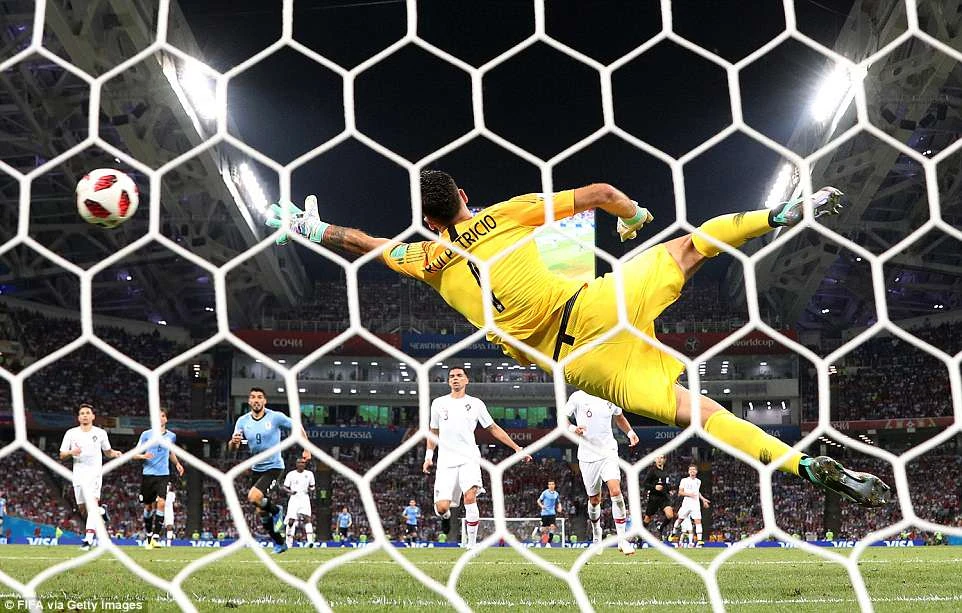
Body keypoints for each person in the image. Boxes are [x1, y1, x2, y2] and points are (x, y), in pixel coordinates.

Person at [266, 173, 889, 507]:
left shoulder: (426, 259)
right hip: (595, 306)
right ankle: (777, 216)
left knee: (696, 413)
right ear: (464, 198)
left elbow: (366, 245)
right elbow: (600, 194)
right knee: (689, 248)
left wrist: (312, 228)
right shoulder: (502, 214)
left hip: (578, 363)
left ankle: (801, 466)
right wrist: (632, 216)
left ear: (429, 220)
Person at [422, 367, 532, 550]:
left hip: (469, 458)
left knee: (470, 496)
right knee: (441, 508)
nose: (455, 379)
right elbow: (433, 431)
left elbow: (493, 428)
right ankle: (446, 516)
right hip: (446, 461)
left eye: (459, 376)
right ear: (448, 382)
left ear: (466, 380)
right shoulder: (438, 404)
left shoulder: (476, 404)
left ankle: (472, 546)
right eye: (452, 376)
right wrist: (428, 457)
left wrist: (517, 448)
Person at [229, 387, 310, 554]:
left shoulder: (275, 417)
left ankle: (277, 510)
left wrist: (306, 448)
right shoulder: (242, 421)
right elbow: (233, 447)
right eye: (253, 397)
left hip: (274, 466)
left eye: (260, 397)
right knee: (261, 511)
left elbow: (297, 427)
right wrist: (234, 442)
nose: (256, 400)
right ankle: (280, 543)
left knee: (253, 496)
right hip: (256, 468)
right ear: (249, 401)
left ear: (264, 401)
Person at [564, 389, 637, 555]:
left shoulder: (609, 393)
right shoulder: (578, 396)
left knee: (616, 491)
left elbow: (619, 417)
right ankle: (597, 537)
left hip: (608, 452)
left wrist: (630, 432)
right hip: (587, 456)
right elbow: (562, 419)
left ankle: (622, 539)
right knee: (595, 500)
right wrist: (573, 428)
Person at [58, 403, 122, 550]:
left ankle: (88, 540)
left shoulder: (100, 433)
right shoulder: (71, 433)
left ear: (93, 416)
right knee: (83, 510)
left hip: (95, 473)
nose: (85, 415)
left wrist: (115, 453)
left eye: (87, 413)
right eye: (82, 413)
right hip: (78, 474)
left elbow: (107, 452)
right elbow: (62, 454)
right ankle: (101, 511)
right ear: (78, 417)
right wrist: (71, 452)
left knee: (92, 504)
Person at [133, 407, 184, 549]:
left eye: (162, 416)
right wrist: (143, 456)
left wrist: (177, 464)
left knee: (162, 503)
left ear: (165, 419)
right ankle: (149, 535)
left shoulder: (171, 436)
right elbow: (134, 454)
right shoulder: (146, 435)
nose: (159, 418)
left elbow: (170, 452)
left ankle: (156, 537)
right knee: (148, 507)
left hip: (163, 475)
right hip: (148, 474)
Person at [672, 464, 710, 546]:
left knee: (698, 521)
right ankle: (673, 532)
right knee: (680, 519)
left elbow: (697, 492)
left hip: (695, 504)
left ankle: (699, 540)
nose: (692, 471)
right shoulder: (684, 480)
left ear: (696, 471)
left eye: (694, 469)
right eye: (691, 469)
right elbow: (680, 492)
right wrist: (689, 494)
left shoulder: (698, 481)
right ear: (688, 471)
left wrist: (703, 499)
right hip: (686, 503)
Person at [282, 458, 316, 548]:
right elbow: (284, 487)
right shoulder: (291, 474)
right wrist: (290, 491)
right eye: (300, 463)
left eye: (303, 463)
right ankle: (288, 542)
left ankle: (310, 541)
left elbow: (313, 487)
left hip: (304, 497)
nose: (301, 464)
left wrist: (310, 489)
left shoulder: (309, 474)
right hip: (294, 498)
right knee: (291, 520)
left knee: (307, 518)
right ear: (296, 464)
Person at [642, 454, 675, 540]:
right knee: (647, 519)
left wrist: (669, 489)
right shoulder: (652, 471)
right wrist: (654, 487)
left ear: (664, 460)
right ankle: (640, 537)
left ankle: (661, 528)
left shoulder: (666, 471)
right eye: (657, 458)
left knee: (670, 515)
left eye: (661, 458)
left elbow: (667, 483)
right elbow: (644, 484)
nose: (659, 460)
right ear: (655, 460)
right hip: (654, 498)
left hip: (664, 497)